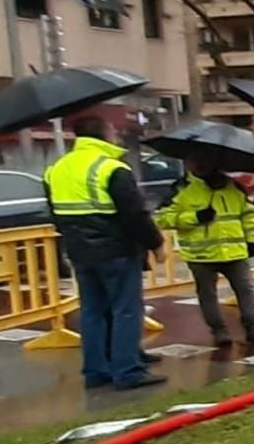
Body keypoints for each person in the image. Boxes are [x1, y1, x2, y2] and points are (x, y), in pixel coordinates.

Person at [44, 113, 165, 390]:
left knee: (92, 310)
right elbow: (134, 214)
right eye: (113, 129)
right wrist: (155, 243)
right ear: (104, 134)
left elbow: (55, 212)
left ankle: (96, 371)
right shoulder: (111, 169)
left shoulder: (56, 169)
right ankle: (127, 370)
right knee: (126, 310)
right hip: (116, 249)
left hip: (79, 251)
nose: (116, 134)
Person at [154, 152, 254, 348]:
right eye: (195, 161)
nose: (200, 164)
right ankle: (219, 331)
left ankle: (253, 326)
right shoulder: (180, 189)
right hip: (201, 255)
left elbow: (248, 215)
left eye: (204, 160)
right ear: (188, 163)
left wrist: (252, 240)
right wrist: (195, 217)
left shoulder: (233, 187)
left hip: (235, 251)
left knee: (245, 289)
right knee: (207, 294)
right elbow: (163, 218)